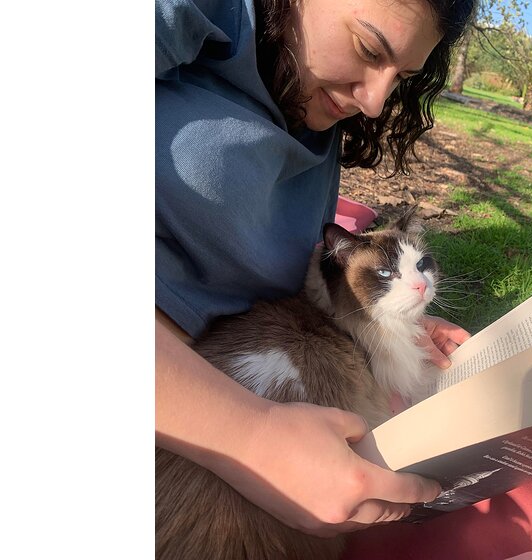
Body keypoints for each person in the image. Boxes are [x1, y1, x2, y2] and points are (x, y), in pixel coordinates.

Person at [155, 0, 475, 539]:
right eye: (368, 48)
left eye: (402, 78)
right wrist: (249, 436)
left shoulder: (313, 115)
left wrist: (386, 321)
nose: (375, 103)